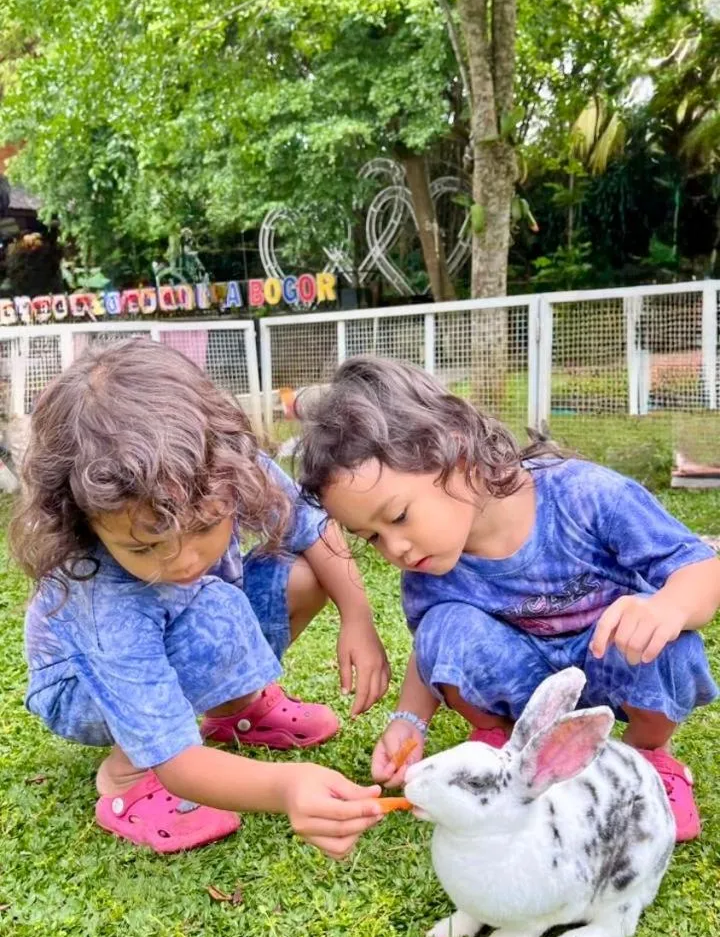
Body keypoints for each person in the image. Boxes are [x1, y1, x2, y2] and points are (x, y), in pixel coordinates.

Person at [298, 356, 720, 843]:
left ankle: (646, 759)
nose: (395, 548)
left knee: (674, 642)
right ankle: (504, 748)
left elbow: (700, 569)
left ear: (455, 452)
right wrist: (408, 720)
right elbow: (432, 651)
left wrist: (666, 607)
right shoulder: (431, 566)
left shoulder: (583, 494)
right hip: (527, 690)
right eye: (371, 537)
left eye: (397, 517)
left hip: (614, 662)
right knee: (443, 625)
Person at [10, 340, 390, 857]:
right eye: (144, 545)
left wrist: (358, 617)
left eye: (206, 526)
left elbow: (310, 525)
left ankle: (238, 710)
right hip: (82, 689)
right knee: (210, 610)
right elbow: (179, 762)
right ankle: (125, 776)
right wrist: (286, 787)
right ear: (80, 517)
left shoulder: (224, 460)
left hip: (200, 622)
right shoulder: (99, 591)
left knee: (299, 576)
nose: (183, 560)